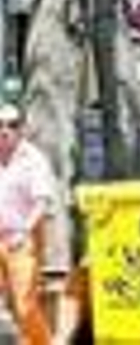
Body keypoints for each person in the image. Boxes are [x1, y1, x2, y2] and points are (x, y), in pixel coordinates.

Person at [0, 102, 57, 345]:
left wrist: (25, 231)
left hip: (22, 240)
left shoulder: (33, 159)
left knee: (24, 305)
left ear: (21, 129)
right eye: (0, 125)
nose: (5, 130)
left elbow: (42, 202)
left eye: (12, 125)